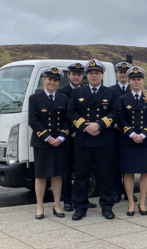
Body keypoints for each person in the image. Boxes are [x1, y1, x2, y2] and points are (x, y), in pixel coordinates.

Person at [68, 59, 120, 221]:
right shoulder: (77, 93)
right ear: (87, 76)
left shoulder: (111, 93)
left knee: (105, 174)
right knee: (81, 175)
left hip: (103, 139)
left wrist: (99, 125)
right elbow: (71, 113)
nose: (94, 76)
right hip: (83, 140)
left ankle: (106, 206)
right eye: (91, 73)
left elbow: (116, 112)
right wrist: (85, 126)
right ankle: (80, 206)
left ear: (102, 75)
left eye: (97, 73)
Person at [28, 67, 71, 219]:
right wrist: (48, 137)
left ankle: (57, 205)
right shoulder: (34, 98)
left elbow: (67, 120)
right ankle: (39, 207)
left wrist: (61, 137)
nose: (52, 82)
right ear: (44, 80)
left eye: (55, 80)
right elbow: (33, 121)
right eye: (50, 79)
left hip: (60, 142)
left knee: (57, 174)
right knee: (40, 175)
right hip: (42, 142)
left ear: (58, 82)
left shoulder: (64, 98)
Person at [57, 62, 98, 211]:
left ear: (83, 76)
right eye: (73, 74)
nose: (76, 77)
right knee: (68, 170)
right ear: (69, 76)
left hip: (85, 137)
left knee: (84, 169)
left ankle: (83, 199)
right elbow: (63, 116)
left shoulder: (87, 91)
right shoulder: (61, 92)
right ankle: (67, 199)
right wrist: (72, 131)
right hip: (68, 137)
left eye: (79, 74)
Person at [118, 66, 147, 216]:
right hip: (129, 140)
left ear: (142, 81)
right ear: (129, 81)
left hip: (145, 141)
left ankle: (142, 202)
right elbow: (120, 119)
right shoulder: (123, 99)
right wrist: (132, 134)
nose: (136, 82)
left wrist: (143, 135)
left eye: (139, 79)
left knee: (145, 172)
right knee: (128, 172)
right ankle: (131, 203)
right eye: (133, 79)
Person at [109, 62, 137, 204]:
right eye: (120, 72)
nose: (122, 74)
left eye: (125, 72)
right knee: (115, 164)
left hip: (130, 133)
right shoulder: (111, 90)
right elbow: (109, 111)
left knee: (128, 163)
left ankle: (129, 192)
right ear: (117, 74)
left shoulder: (134, 90)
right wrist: (115, 124)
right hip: (115, 133)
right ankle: (116, 191)